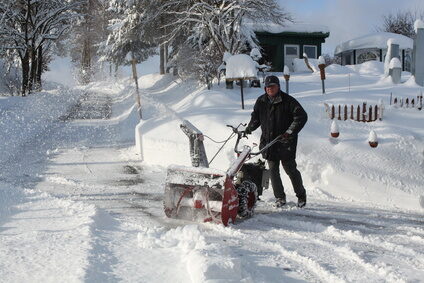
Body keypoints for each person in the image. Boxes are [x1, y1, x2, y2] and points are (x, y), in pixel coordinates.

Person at [244, 75, 308, 208]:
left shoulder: (288, 101)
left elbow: (301, 116)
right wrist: (249, 128)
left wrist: (289, 132)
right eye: (267, 87)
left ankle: (301, 195)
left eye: (272, 86)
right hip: (269, 143)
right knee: (273, 171)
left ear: (278, 86)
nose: (269, 89)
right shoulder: (261, 101)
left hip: (285, 143)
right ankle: (280, 198)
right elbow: (256, 118)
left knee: (290, 170)